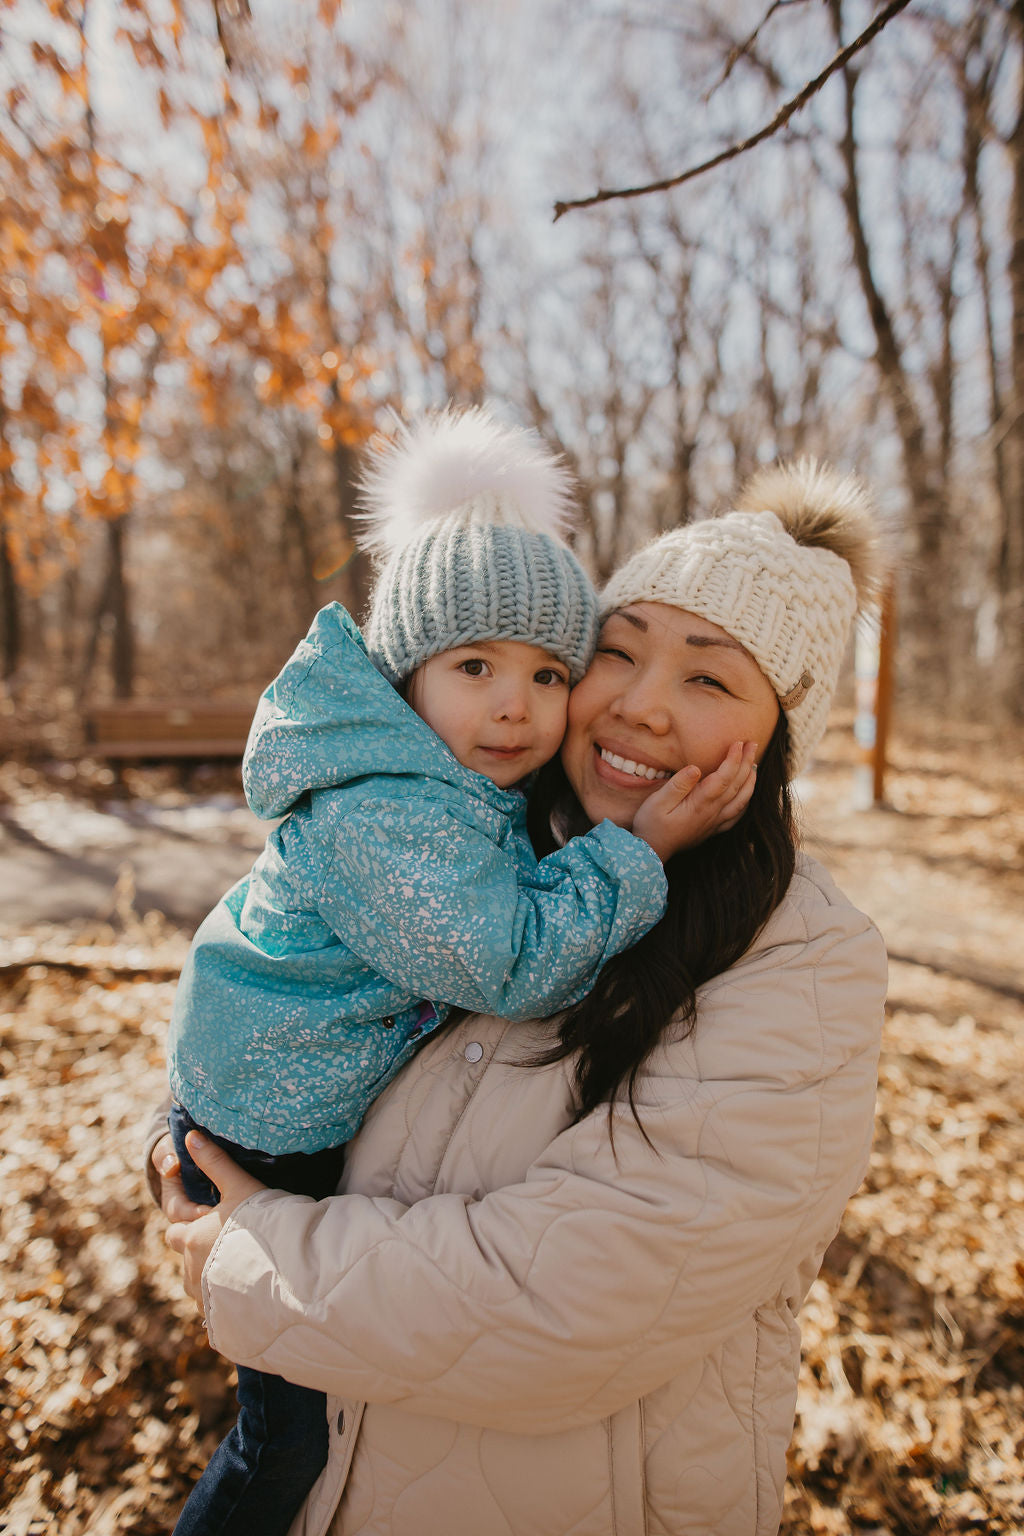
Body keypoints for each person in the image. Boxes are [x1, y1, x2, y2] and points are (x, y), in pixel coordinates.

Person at [154, 454, 888, 1536]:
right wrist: (190, 1145)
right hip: (342, 1473)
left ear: (778, 736)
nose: (637, 707)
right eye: (617, 654)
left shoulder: (803, 964)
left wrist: (249, 1257)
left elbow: (567, 1305)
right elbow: (277, 972)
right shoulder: (488, 835)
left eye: (707, 678)